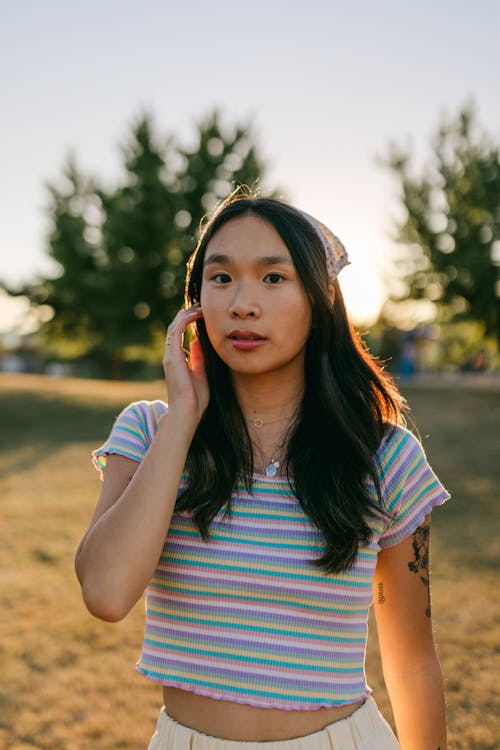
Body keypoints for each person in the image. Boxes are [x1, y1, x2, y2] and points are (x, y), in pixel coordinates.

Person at [75, 188, 451, 750]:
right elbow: (105, 594)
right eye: (221, 277)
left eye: (274, 278)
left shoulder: (384, 456)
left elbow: (412, 661)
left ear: (320, 300)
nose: (242, 304)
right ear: (196, 299)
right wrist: (183, 419)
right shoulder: (150, 432)